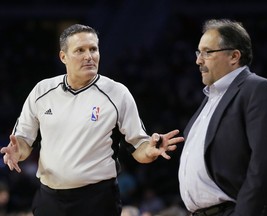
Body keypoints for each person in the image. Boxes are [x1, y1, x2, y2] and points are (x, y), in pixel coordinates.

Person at [0, 24, 184, 216]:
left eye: (93, 49)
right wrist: (17, 150)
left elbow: (139, 148)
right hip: (50, 199)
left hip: (98, 199)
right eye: (80, 50)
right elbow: (23, 141)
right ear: (63, 57)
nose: (89, 56)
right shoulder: (42, 91)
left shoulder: (117, 93)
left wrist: (151, 149)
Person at [178, 19, 267, 216]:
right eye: (198, 52)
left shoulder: (259, 90)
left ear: (234, 56)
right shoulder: (210, 98)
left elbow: (264, 166)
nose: (198, 60)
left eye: (207, 52)